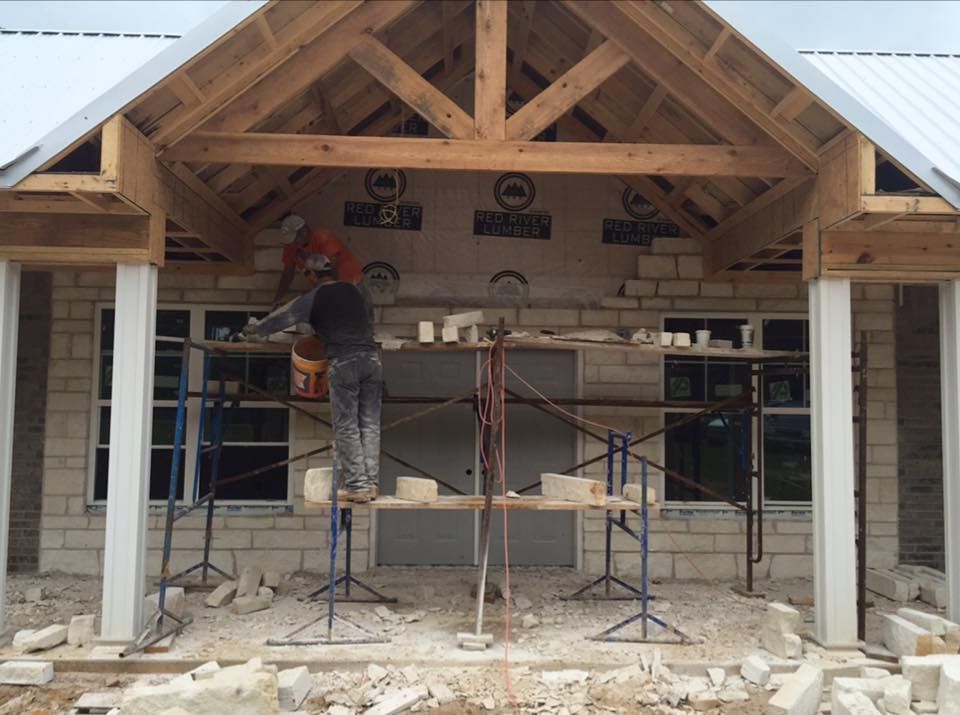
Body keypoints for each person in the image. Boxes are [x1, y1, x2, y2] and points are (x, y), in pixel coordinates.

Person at [247, 254, 382, 503]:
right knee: (370, 423)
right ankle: (371, 484)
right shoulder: (355, 290)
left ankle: (358, 486)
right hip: (371, 359)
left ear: (311, 275)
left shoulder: (312, 298)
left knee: (346, 425)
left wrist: (254, 330)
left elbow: (281, 319)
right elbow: (368, 318)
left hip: (344, 361)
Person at [271, 214, 364, 310]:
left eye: (294, 239)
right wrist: (277, 300)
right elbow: (287, 274)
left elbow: (332, 271)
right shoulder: (290, 246)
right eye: (289, 240)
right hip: (328, 290)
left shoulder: (323, 237)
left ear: (304, 231)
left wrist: (326, 297)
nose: (292, 243)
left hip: (352, 286)